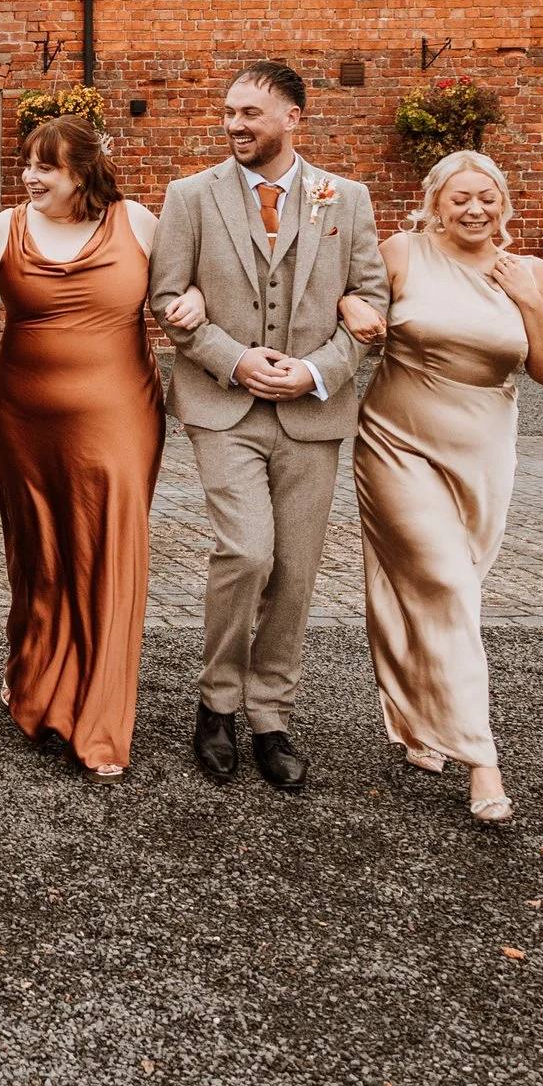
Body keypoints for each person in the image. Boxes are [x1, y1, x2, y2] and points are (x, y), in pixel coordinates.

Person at [149, 59, 387, 791]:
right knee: (248, 551)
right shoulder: (191, 196)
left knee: (296, 570)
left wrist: (317, 371)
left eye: (251, 113)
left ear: (293, 117)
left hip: (313, 411)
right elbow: (166, 296)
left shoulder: (345, 198)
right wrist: (236, 359)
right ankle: (215, 702)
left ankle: (271, 715)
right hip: (224, 408)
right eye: (229, 112)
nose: (234, 125)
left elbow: (371, 294)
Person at [0, 113, 170, 777]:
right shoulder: (6, 228)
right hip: (24, 417)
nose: (29, 176)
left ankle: (101, 716)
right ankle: (40, 691)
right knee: (41, 555)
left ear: (83, 170)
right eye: (27, 163)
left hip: (120, 415)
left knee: (110, 551)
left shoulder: (138, 224)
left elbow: (189, 294)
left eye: (45, 166)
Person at [342, 150, 543, 823]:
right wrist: (352, 304)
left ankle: (421, 722)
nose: (476, 209)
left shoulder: (529, 271)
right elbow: (348, 296)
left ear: (504, 204)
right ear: (434, 202)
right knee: (444, 582)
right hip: (397, 442)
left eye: (488, 198)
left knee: (448, 586)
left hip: (483, 450)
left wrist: (528, 299)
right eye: (461, 198)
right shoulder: (401, 252)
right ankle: (482, 759)